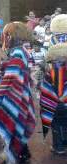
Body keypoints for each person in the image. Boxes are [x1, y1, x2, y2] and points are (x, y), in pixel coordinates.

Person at [0, 22, 36, 164]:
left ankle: (18, 152)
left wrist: (0, 94)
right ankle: (19, 152)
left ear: (12, 36)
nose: (5, 38)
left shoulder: (18, 52)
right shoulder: (20, 51)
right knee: (16, 120)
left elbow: (13, 75)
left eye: (7, 35)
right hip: (18, 92)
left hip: (14, 93)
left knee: (8, 118)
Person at [40, 14, 67, 155]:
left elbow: (45, 88)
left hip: (56, 101)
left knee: (56, 122)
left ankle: (59, 147)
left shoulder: (52, 40)